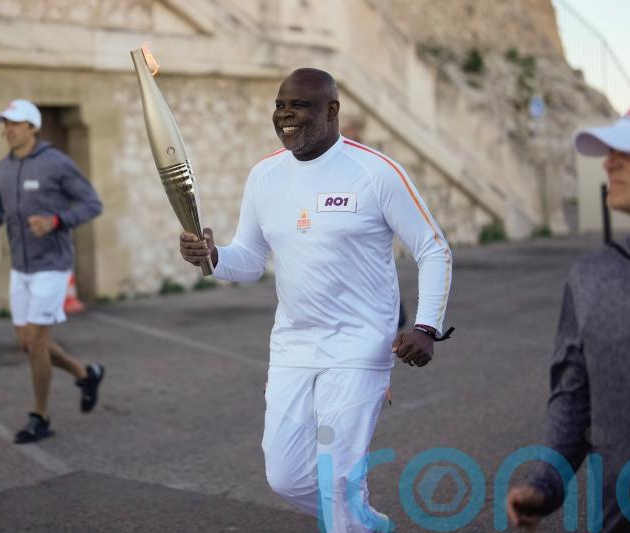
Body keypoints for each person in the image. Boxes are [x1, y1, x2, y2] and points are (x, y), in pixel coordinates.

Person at [180, 69, 453, 532]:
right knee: (285, 477)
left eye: (299, 105)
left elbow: (433, 249)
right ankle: (367, 523)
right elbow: (248, 261)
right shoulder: (264, 175)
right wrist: (213, 256)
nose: (285, 114)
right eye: (280, 104)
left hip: (360, 346)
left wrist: (426, 327)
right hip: (293, 348)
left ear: (332, 111)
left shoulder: (376, 172)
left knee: (337, 478)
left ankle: (351, 517)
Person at [507, 98, 630, 531]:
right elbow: (574, 398)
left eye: (628, 150)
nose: (610, 163)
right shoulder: (591, 277)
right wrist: (545, 483)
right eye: (608, 151)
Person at [0, 99, 105, 444]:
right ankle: (86, 374)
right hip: (21, 267)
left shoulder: (56, 163)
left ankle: (41, 416)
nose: (8, 129)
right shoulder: (3, 169)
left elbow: (93, 204)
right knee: (28, 343)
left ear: (33, 127)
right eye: (5, 123)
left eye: (15, 123)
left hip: (52, 265)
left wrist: (55, 221)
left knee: (36, 342)